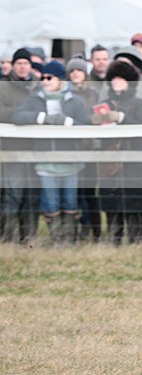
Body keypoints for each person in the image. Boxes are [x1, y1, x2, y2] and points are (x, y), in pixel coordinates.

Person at [11, 61, 90, 244]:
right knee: (51, 203)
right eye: (43, 78)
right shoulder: (34, 98)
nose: (45, 81)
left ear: (60, 79)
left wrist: (67, 123)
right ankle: (56, 239)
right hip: (45, 162)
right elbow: (17, 116)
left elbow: (86, 127)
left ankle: (69, 240)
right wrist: (41, 118)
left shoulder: (74, 100)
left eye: (49, 78)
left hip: (71, 161)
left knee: (70, 202)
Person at [92, 60, 142, 244]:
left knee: (134, 204)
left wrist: (122, 118)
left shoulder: (139, 104)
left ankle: (136, 242)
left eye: (122, 79)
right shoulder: (104, 104)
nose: (117, 83)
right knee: (111, 205)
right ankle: (113, 242)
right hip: (109, 160)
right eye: (114, 79)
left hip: (133, 161)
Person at [0, 48, 41, 243]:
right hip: (12, 149)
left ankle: (28, 239)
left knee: (32, 196)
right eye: (19, 63)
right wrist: (25, 114)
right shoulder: (3, 86)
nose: (23, 67)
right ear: (13, 66)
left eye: (26, 63)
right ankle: (7, 238)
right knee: (12, 194)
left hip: (35, 149)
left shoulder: (37, 87)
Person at [66, 55, 102, 241]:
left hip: (91, 149)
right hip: (72, 149)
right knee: (76, 192)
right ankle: (80, 228)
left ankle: (96, 230)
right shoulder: (65, 94)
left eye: (79, 70)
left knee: (90, 192)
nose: (75, 74)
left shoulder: (94, 93)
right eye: (72, 71)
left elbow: (98, 115)